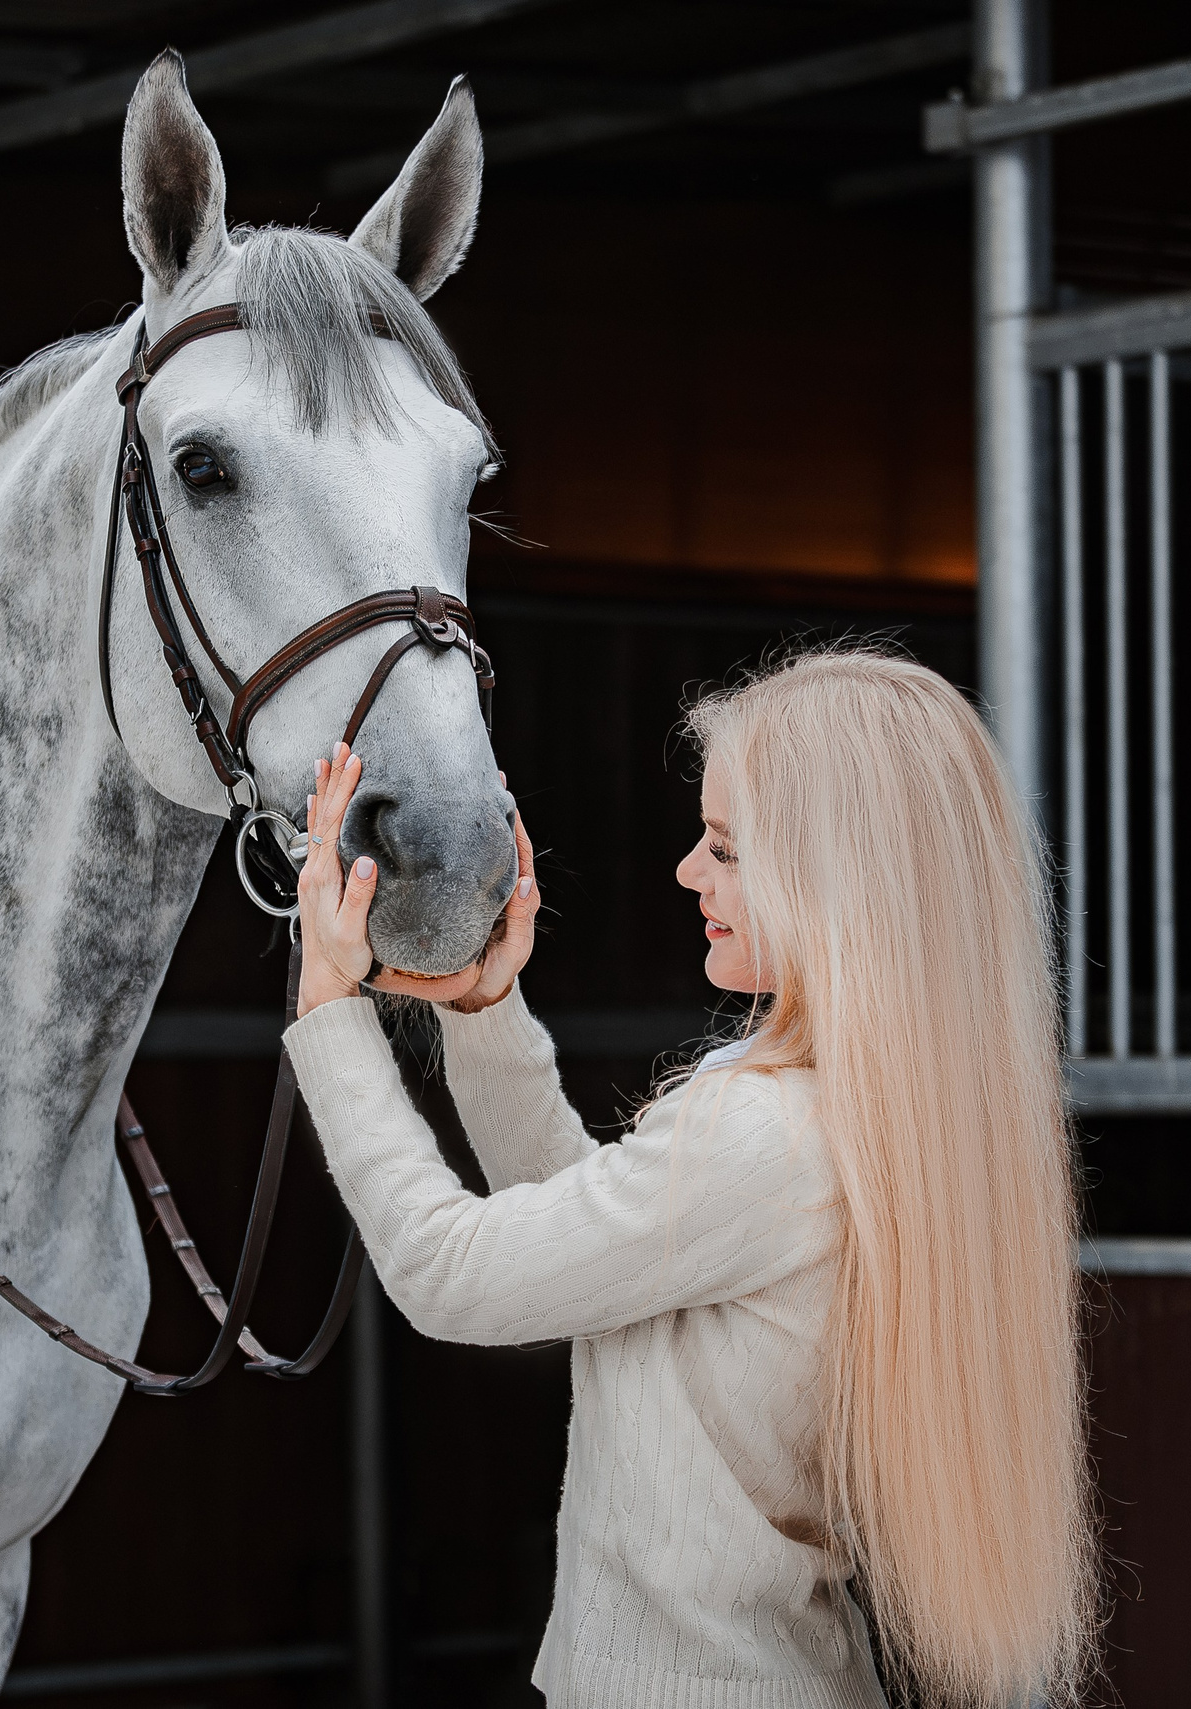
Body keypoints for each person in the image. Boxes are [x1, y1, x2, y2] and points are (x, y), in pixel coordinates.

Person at [282, 647, 1099, 1709]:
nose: (688, 871)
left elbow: (451, 1271)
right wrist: (480, 1013)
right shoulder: (875, 1119)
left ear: (831, 874)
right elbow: (603, 1261)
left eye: (723, 847)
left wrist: (327, 1005)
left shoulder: (762, 1129)